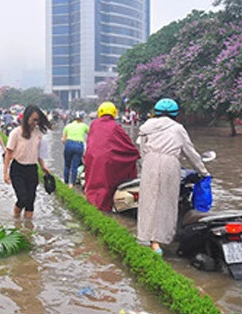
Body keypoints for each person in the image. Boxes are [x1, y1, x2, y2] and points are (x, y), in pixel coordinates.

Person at [137, 98, 210, 255]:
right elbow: (190, 152)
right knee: (167, 203)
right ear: (175, 114)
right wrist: (203, 172)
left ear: (156, 112)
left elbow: (142, 151)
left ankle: (152, 241)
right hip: (170, 163)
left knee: (149, 202)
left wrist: (146, 166)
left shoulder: (146, 127)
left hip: (150, 162)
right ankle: (163, 239)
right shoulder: (178, 128)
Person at [84, 101, 140, 212]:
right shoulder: (115, 126)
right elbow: (127, 144)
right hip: (109, 159)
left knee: (94, 182)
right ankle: (106, 206)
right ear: (114, 113)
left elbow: (91, 142)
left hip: (92, 158)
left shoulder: (94, 124)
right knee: (107, 183)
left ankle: (94, 204)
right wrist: (135, 153)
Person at [3, 105, 51, 219]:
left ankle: (27, 230)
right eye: (33, 119)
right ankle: (16, 219)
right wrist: (5, 173)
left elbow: (38, 153)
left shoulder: (38, 133)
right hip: (18, 169)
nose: (35, 122)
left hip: (32, 169)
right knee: (22, 198)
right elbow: (8, 153)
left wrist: (43, 166)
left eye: (37, 120)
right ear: (26, 118)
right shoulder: (15, 133)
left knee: (30, 202)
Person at [62, 111, 89, 189]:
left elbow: (63, 140)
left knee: (67, 165)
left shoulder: (67, 126)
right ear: (81, 119)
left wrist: (68, 145)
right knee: (75, 166)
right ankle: (72, 184)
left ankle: (66, 182)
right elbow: (91, 134)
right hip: (79, 145)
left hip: (68, 144)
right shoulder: (84, 126)